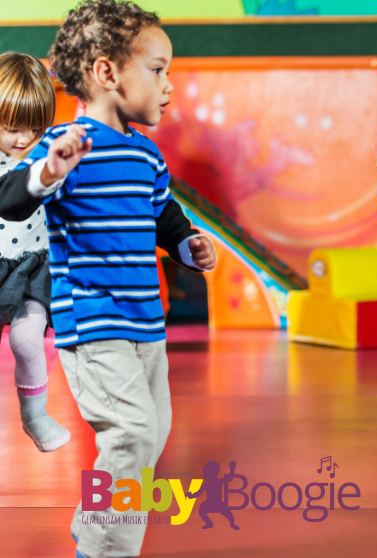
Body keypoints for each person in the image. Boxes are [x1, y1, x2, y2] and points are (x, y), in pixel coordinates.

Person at [0, 1, 217, 555]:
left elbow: (165, 217)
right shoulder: (65, 144)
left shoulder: (146, 154)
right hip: (94, 323)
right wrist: (49, 171)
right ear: (106, 73)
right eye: (157, 69)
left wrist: (189, 247)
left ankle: (94, 523)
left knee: (152, 434)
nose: (168, 85)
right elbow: (10, 198)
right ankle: (104, 549)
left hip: (146, 323)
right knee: (132, 433)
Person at [0, 52, 71, 452]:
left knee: (27, 341)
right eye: (12, 128)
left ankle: (36, 416)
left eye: (35, 128)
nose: (24, 139)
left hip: (30, 270)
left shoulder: (46, 157)